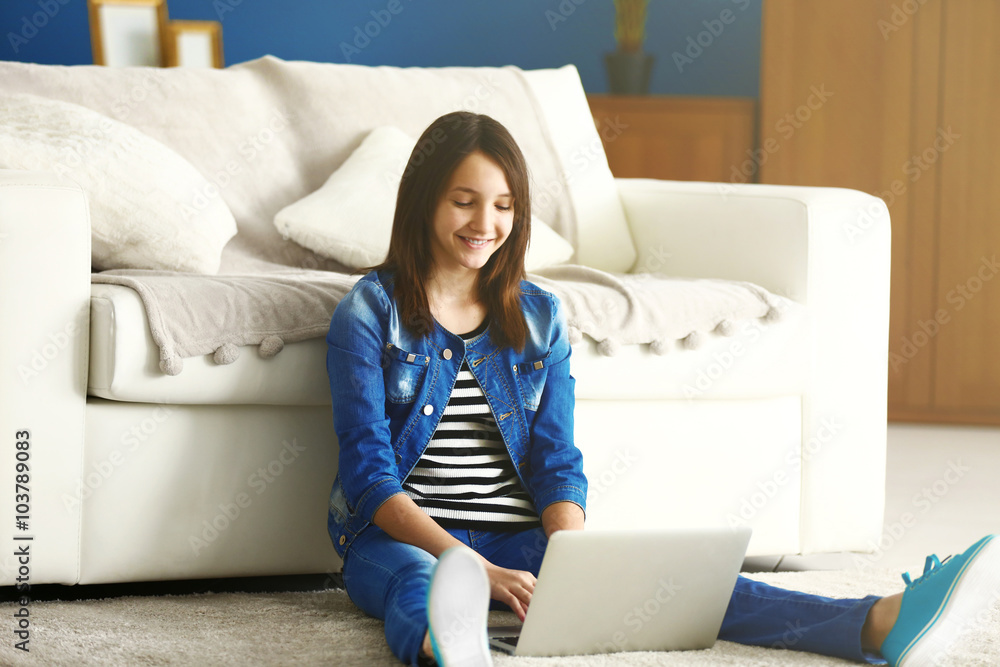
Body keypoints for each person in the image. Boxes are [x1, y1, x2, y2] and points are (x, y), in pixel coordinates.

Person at [325, 111, 1000, 667]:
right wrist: (469, 565)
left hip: (517, 538)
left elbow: (556, 459)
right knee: (420, 582)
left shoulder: (540, 316)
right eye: (464, 201)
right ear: (424, 200)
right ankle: (446, 646)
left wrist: (572, 557)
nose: (485, 224)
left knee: (677, 585)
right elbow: (370, 477)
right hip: (400, 541)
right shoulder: (370, 311)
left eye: (504, 206)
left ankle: (878, 622)